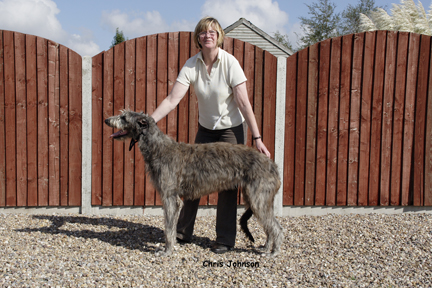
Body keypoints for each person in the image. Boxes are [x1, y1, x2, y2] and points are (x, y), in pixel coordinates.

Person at [150, 16, 270, 254]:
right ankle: (183, 232)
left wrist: (257, 138)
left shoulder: (230, 63)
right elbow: (173, 99)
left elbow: (244, 103)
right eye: (204, 32)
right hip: (205, 131)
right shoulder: (192, 64)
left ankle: (224, 239)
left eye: (213, 32)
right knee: (190, 179)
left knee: (227, 186)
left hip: (230, 132)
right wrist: (149, 121)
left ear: (219, 37)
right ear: (198, 37)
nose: (208, 35)